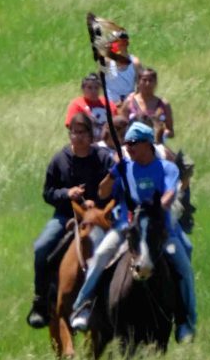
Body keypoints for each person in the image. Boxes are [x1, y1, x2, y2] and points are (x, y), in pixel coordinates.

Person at [69, 122, 196, 341]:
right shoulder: (124, 166)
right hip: (126, 228)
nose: (128, 147)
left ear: (148, 144)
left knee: (183, 264)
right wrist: (113, 173)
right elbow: (102, 192)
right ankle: (84, 306)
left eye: (133, 143)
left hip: (160, 230)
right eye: (126, 143)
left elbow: (169, 193)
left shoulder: (167, 168)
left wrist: (156, 207)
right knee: (100, 256)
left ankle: (185, 321)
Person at [25, 112, 116, 329]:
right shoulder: (59, 160)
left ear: (91, 135)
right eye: (74, 132)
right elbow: (48, 193)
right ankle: (40, 301)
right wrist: (67, 193)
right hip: (66, 216)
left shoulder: (103, 158)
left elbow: (114, 188)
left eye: (82, 132)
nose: (78, 137)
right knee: (41, 247)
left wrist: (96, 204)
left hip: (99, 218)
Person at [65, 73, 113, 147]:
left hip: (107, 144)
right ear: (83, 89)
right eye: (89, 88)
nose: (93, 91)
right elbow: (72, 127)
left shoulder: (108, 104)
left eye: (96, 88)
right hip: (86, 144)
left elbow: (116, 125)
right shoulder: (76, 105)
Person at [100, 27, 143, 108]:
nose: (119, 45)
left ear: (127, 43)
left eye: (122, 42)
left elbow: (141, 86)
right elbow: (99, 82)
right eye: (115, 42)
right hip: (110, 105)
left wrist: (129, 101)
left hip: (129, 105)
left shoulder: (135, 63)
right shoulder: (106, 62)